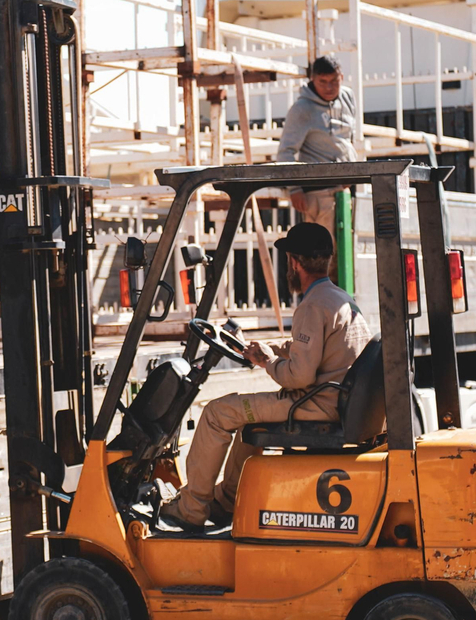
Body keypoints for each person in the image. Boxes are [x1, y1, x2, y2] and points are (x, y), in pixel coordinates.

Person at [159, 222, 373, 529]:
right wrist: (262, 348)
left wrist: (266, 361)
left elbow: (298, 376)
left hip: (315, 404)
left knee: (216, 413)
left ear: (294, 263)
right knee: (247, 417)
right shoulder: (339, 299)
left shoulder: (312, 306)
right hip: (334, 400)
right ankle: (228, 501)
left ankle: (191, 509)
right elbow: (305, 348)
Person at [277, 55, 358, 234]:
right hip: (319, 193)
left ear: (342, 77)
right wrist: (294, 189)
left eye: (334, 81)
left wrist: (351, 170)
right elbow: (285, 152)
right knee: (323, 248)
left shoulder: (347, 97)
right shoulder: (302, 109)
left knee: (346, 248)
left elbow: (348, 138)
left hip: (344, 189)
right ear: (313, 79)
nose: (329, 87)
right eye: (323, 82)